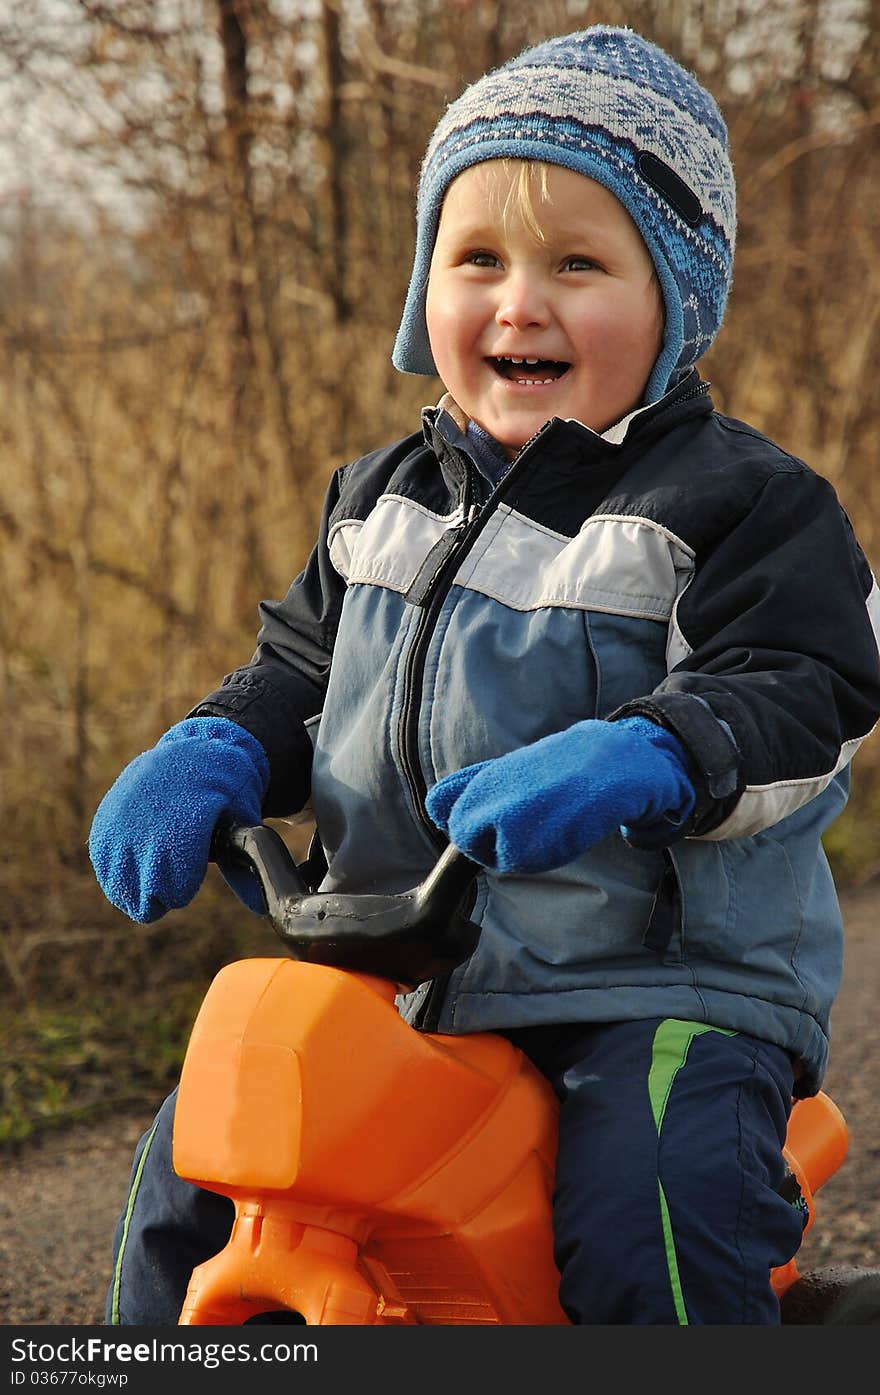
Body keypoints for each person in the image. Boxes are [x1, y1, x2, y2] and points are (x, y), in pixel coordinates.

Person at [89, 26, 880, 1326]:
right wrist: (212, 750)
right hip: (396, 962)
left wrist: (653, 750)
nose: (520, 302)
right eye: (479, 260)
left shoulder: (745, 502)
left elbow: (806, 690)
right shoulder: (376, 500)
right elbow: (298, 669)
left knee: (652, 1212)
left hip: (655, 982)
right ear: (424, 294)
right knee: (197, 1164)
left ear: (675, 296)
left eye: (580, 262)